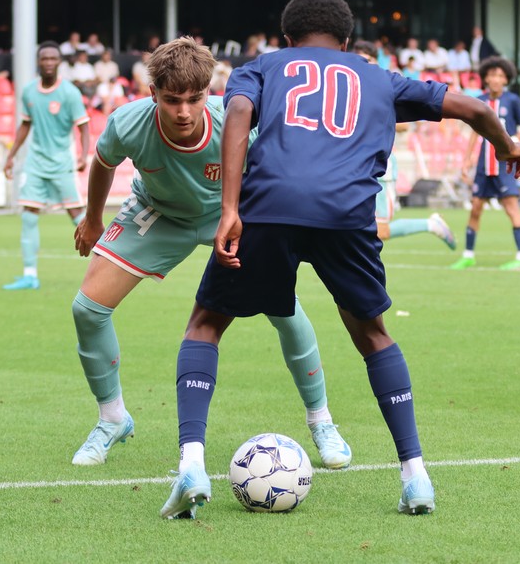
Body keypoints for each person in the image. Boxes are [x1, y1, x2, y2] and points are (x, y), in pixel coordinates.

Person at [158, 0, 520, 519]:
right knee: (374, 335)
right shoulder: (378, 75)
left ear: (287, 38)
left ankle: (192, 464)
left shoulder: (260, 67)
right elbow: (470, 106)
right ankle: (416, 476)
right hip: (347, 214)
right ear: (348, 40)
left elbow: (238, 113)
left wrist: (229, 208)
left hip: (270, 206)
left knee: (205, 325)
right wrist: (508, 146)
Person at [70, 36, 351, 472]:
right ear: (152, 95)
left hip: (232, 213)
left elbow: (276, 171)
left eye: (193, 99)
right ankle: (112, 419)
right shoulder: (128, 123)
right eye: (171, 100)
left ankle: (322, 421)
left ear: (210, 91)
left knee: (285, 308)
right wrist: (92, 220)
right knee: (87, 308)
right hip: (160, 212)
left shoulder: (234, 121)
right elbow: (104, 162)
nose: (183, 111)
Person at [352, 40, 456, 249]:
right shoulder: (352, 87)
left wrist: (375, 118)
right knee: (358, 228)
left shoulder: (384, 87)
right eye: (359, 60)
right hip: (357, 168)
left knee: (380, 231)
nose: (363, 65)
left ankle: (430, 224)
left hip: (382, 172)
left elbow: (405, 126)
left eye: (369, 60)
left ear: (377, 62)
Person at [3, 41, 90, 290]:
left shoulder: (70, 93)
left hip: (62, 162)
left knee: (78, 217)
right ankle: (30, 275)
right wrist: (11, 155)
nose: (49, 63)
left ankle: (111, 264)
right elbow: (25, 125)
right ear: (38, 62)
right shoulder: (29, 91)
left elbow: (83, 127)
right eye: (45, 59)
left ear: (59, 62)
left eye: (53, 58)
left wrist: (84, 155)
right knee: (29, 215)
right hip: (35, 163)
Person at [451, 56, 520, 271]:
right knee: (475, 208)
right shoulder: (479, 100)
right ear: (485, 78)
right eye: (492, 75)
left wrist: (514, 141)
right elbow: (474, 131)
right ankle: (468, 255)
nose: (496, 79)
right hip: (483, 165)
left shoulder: (512, 100)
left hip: (504, 166)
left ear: (506, 79)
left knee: (511, 208)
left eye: (500, 76)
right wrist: (467, 158)